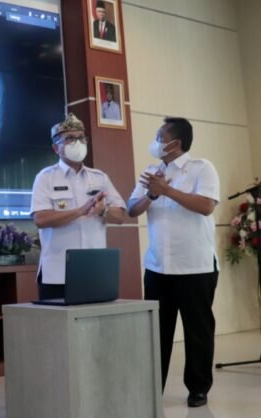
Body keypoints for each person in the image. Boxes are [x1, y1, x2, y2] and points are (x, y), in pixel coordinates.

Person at [128, 117, 220, 408]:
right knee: (157, 331)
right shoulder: (151, 172)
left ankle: (198, 388)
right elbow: (131, 209)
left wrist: (168, 191)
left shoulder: (202, 168)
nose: (155, 141)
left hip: (195, 266)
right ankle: (153, 387)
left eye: (160, 136)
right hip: (158, 266)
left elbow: (206, 206)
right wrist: (152, 193)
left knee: (197, 330)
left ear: (175, 143)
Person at [30, 113, 126, 298]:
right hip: (57, 272)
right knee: (57, 317)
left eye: (81, 138)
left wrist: (103, 211)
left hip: (94, 271)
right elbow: (40, 219)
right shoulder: (45, 177)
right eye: (70, 138)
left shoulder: (99, 177)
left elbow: (120, 216)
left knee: (96, 317)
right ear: (56, 148)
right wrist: (80, 211)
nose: (78, 143)